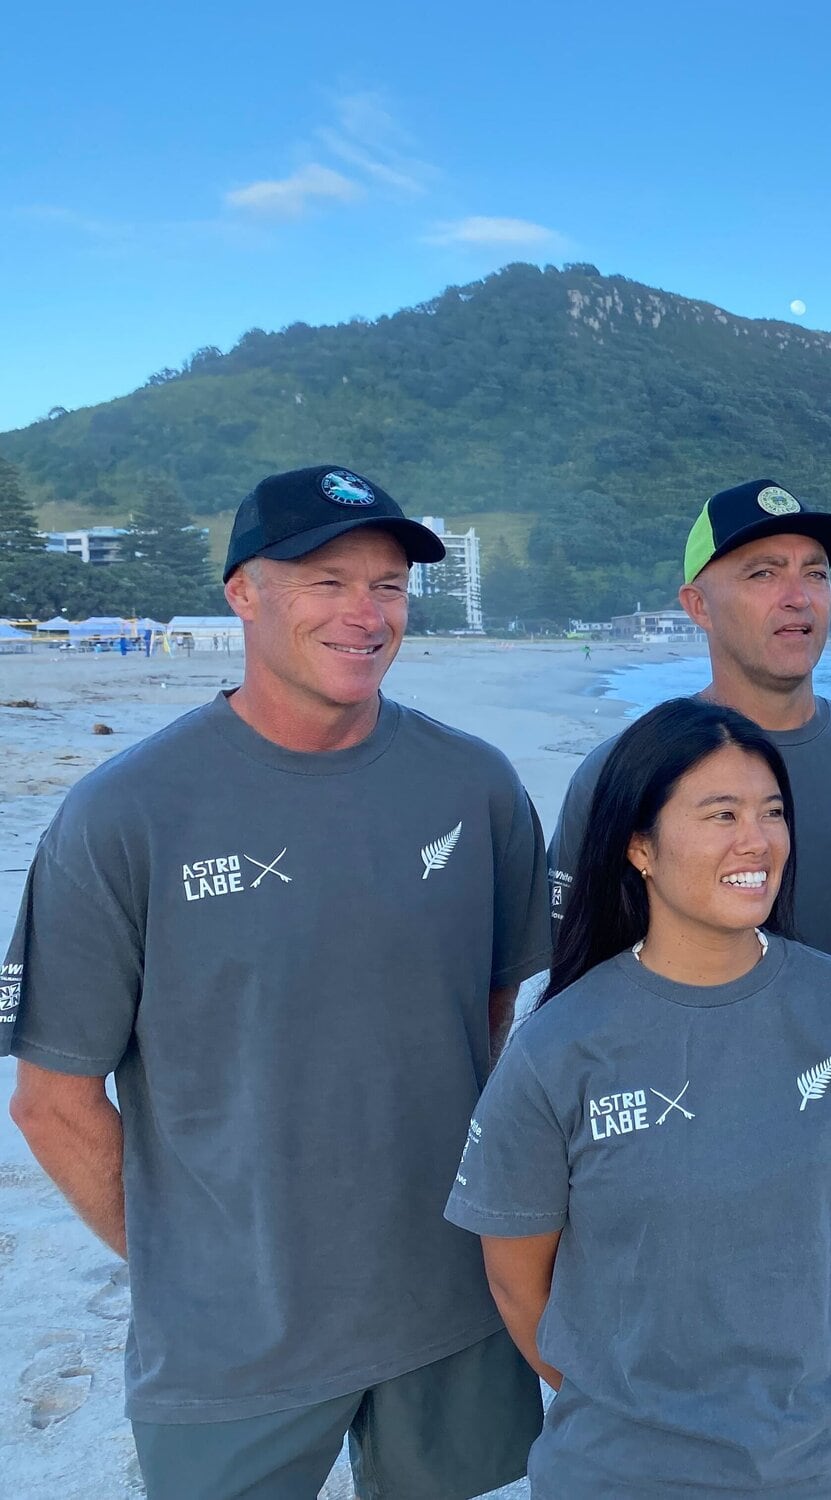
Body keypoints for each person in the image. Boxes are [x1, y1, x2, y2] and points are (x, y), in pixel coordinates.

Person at [2, 465, 549, 1499]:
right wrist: (191, 1271)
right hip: (231, 1347)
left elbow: (485, 1016)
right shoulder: (123, 815)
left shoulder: (474, 785)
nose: (363, 612)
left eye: (387, 584)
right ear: (241, 592)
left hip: (451, 1302)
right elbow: (53, 1103)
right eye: (323, 579)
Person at [548, 478, 831, 1447]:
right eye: (761, 572)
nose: (797, 595)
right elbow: (571, 1008)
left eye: (814, 573)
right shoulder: (626, 776)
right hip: (677, 1217)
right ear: (695, 602)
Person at [447, 699, 831, 1498]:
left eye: (772, 813)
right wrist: (634, 1411)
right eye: (721, 814)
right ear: (640, 846)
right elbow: (515, 1280)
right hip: (625, 1474)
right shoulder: (558, 1046)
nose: (756, 840)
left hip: (829, 1468)